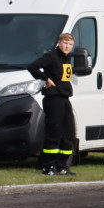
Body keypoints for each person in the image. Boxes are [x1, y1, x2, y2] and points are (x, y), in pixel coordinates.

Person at [27, 33, 76, 176]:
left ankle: (62, 165)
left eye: (70, 44)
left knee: (69, 132)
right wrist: (46, 79)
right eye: (65, 43)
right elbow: (33, 67)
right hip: (53, 98)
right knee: (53, 132)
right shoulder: (51, 57)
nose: (67, 46)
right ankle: (48, 166)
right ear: (59, 43)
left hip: (65, 97)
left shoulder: (67, 58)